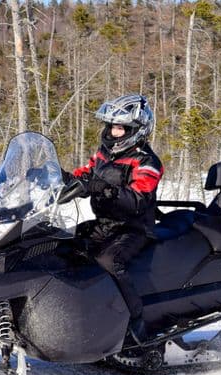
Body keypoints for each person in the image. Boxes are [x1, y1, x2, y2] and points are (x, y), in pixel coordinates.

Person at [63, 94, 163, 343]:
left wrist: (104, 189)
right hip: (106, 224)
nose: (113, 132)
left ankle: (137, 323)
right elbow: (84, 174)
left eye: (120, 128)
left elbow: (137, 199)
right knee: (64, 244)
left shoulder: (147, 162)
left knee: (109, 260)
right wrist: (58, 177)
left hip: (134, 227)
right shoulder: (104, 154)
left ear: (135, 130)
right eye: (111, 126)